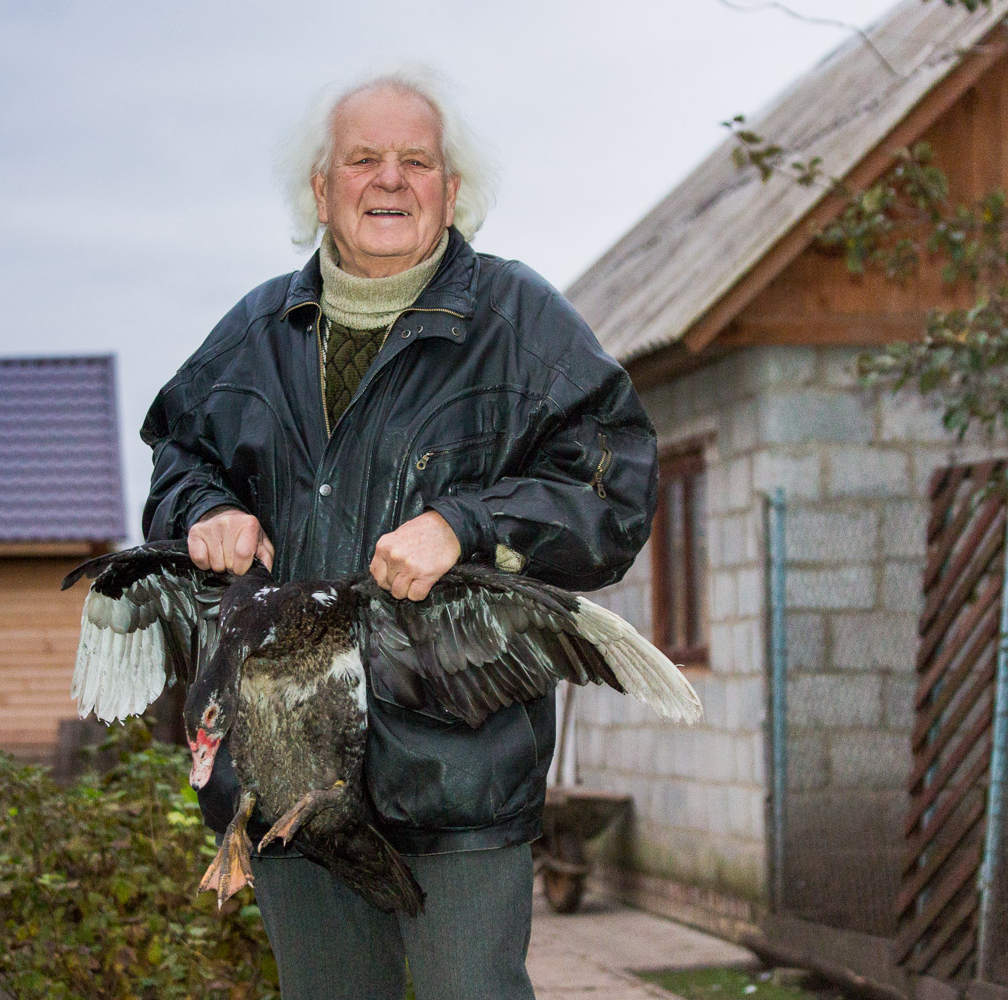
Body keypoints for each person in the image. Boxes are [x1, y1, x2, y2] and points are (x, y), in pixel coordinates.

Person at [139, 66, 657, 1000]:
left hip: (460, 766)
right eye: (363, 158)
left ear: (451, 191)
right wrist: (204, 511)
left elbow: (611, 498)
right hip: (290, 761)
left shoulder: (522, 324)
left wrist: (467, 523)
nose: (389, 179)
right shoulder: (255, 334)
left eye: (415, 160)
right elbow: (180, 461)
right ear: (321, 187)